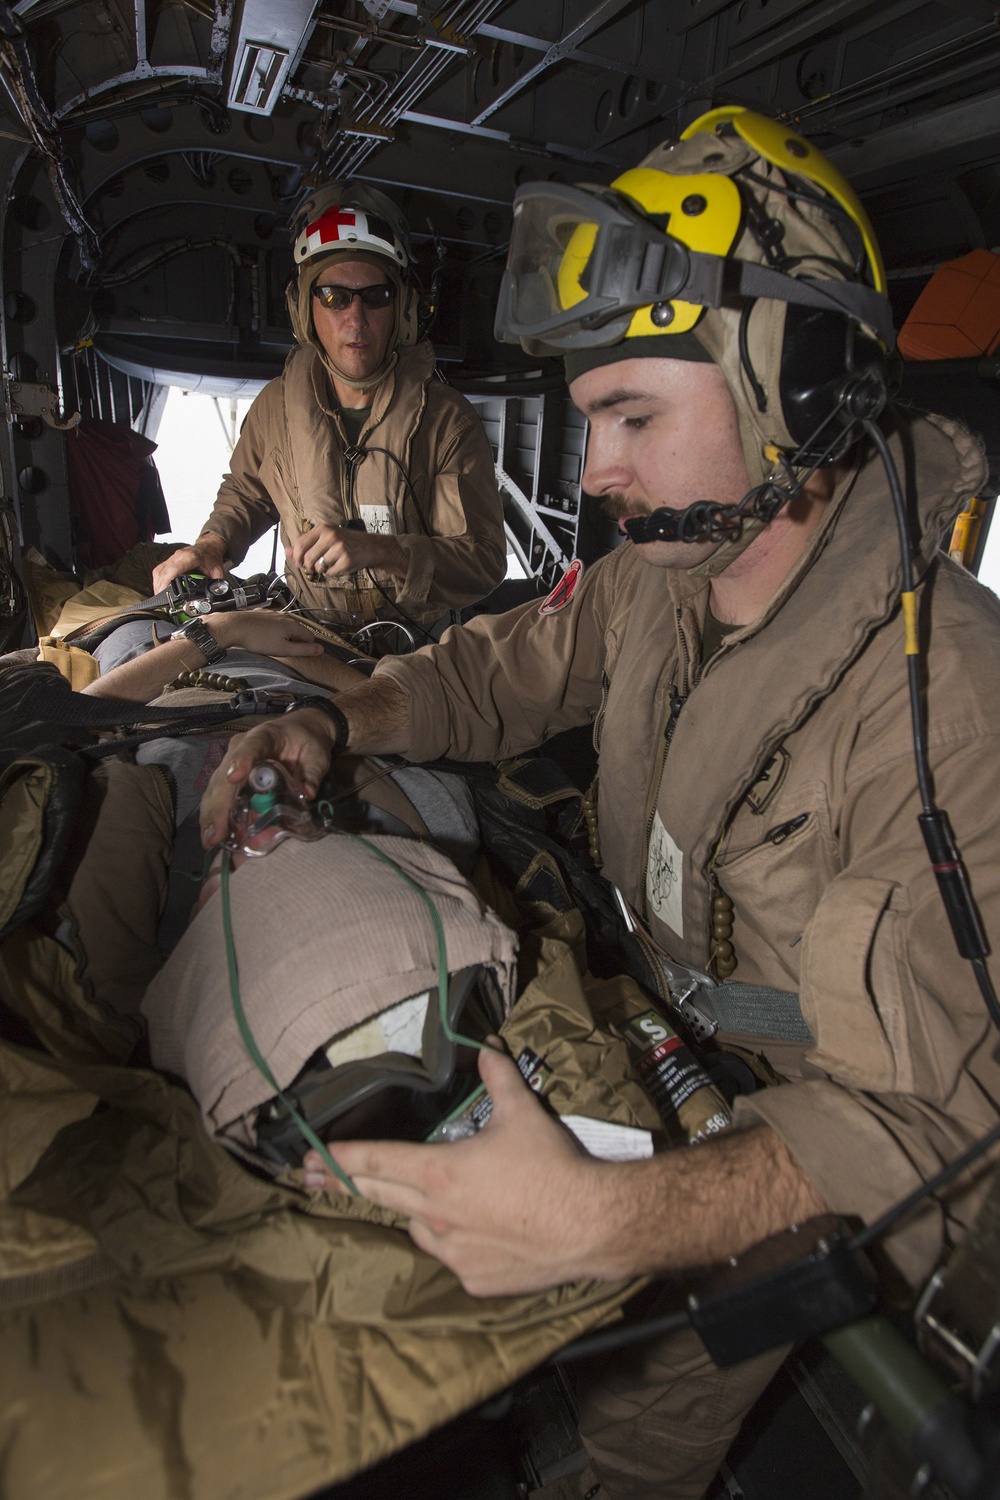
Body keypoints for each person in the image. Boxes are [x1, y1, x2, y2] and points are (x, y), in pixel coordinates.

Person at [198, 109, 1000, 1497]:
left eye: (634, 416)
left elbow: (925, 1135)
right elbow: (490, 673)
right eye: (590, 424)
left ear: (797, 389)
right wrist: (332, 717)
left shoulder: (953, 704)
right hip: (665, 1025)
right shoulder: (660, 582)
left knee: (626, 1413)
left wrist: (610, 1221)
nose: (598, 473)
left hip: (829, 1152)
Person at [151, 183, 507, 640]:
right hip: (309, 638)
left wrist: (386, 552)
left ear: (402, 310)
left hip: (416, 647)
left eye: (375, 297)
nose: (356, 320)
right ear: (305, 310)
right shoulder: (275, 409)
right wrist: (212, 544)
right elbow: (249, 489)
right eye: (335, 298)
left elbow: (482, 563)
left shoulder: (447, 422)